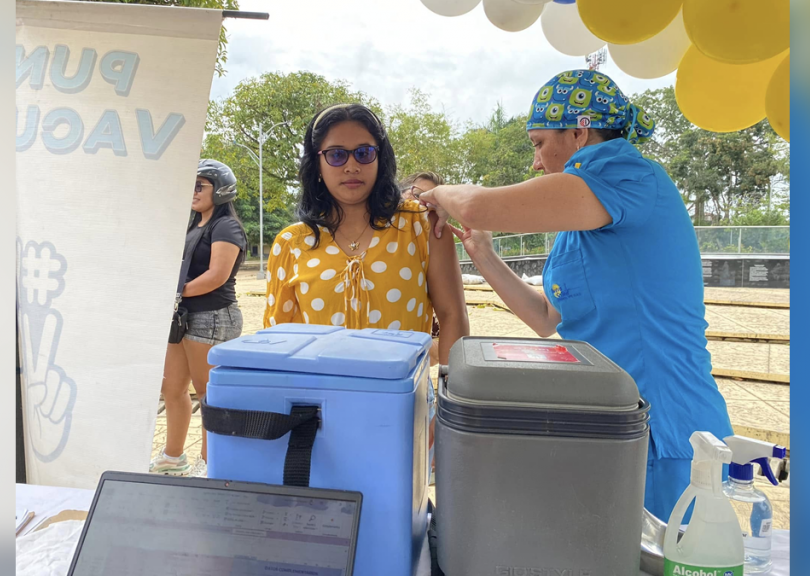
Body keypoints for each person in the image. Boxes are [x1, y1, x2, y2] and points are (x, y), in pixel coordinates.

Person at [418, 70, 734, 521]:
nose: (535, 161)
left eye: (538, 142)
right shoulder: (585, 217)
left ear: (580, 131)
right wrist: (483, 254)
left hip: (665, 431)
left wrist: (435, 194)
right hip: (611, 420)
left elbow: (477, 205)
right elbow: (547, 318)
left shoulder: (625, 175)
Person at [263, 103, 468, 363]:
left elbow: (453, 315)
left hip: (402, 400)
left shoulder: (421, 226)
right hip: (321, 401)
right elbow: (279, 339)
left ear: (380, 159)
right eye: (337, 155)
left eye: (363, 153)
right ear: (317, 163)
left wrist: (450, 391)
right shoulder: (291, 244)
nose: (351, 166)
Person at [151, 159, 248, 477]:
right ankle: (173, 457)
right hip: (183, 317)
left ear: (220, 189)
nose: (192, 191)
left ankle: (209, 464)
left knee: (208, 394)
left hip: (213, 317)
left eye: (199, 185)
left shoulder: (226, 226)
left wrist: (174, 293)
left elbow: (216, 277)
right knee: (173, 388)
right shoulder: (194, 225)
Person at [400, 171, 447, 366]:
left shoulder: (434, 248)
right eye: (418, 194)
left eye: (435, 202)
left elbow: (448, 325)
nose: (425, 205)